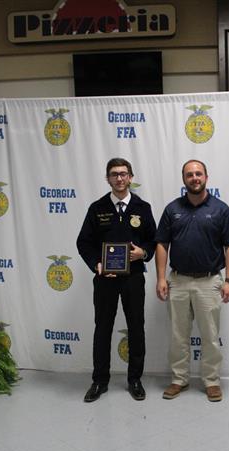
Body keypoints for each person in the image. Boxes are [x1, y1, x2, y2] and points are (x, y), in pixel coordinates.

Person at [155, 159, 229, 402]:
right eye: (189, 174)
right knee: (178, 336)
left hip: (209, 282)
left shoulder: (221, 209)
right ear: (184, 179)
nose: (194, 178)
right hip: (178, 282)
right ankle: (178, 379)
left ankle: (212, 381)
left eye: (198, 174)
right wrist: (161, 278)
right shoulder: (172, 209)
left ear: (206, 177)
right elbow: (162, 244)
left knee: (210, 336)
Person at [77, 158, 156, 402]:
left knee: (136, 328)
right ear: (108, 179)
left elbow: (154, 240)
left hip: (134, 278)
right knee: (102, 328)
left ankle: (135, 380)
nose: (119, 178)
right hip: (105, 279)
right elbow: (84, 242)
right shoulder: (97, 208)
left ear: (130, 177)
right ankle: (99, 381)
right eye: (114, 174)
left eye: (123, 174)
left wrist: (143, 253)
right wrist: (96, 264)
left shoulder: (143, 207)